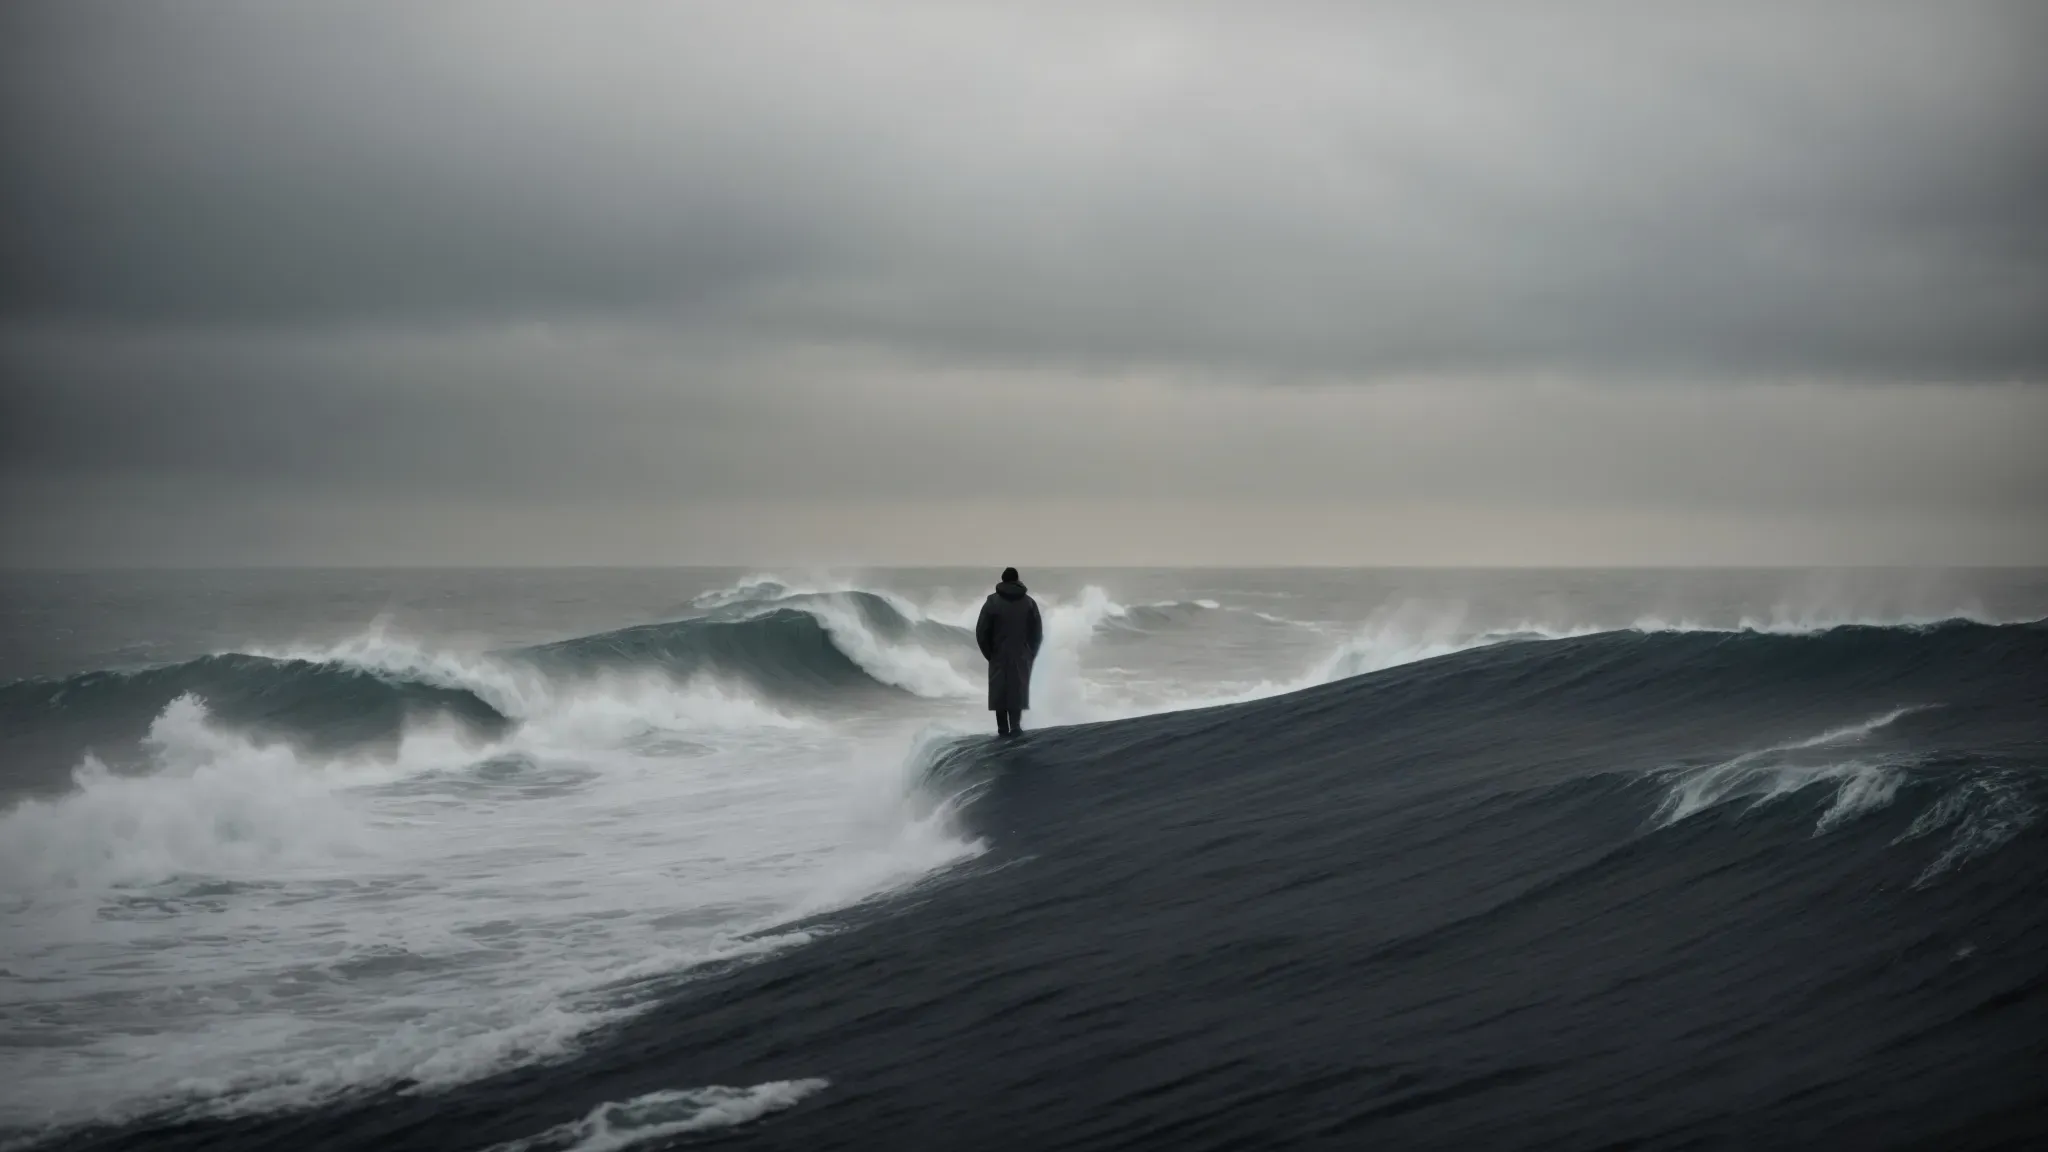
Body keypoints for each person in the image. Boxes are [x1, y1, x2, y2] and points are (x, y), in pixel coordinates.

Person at [974, 567, 1043, 736]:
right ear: (1017, 580)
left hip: (998, 655)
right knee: (1017, 693)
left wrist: (990, 654)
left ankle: (1002, 731)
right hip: (1021, 656)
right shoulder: (1029, 603)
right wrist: (1030, 653)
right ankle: (1016, 728)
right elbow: (1037, 633)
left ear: (1002, 580)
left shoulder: (992, 602)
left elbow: (981, 632)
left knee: (1000, 695)